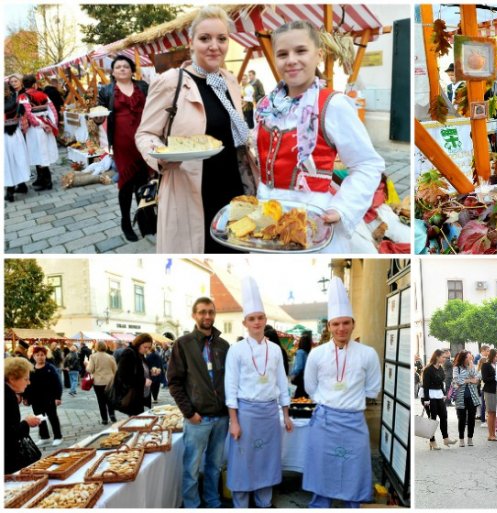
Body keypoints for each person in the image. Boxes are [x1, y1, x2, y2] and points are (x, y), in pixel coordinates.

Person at [253, 20, 384, 253]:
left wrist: (343, 208)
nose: (291, 59)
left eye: (301, 50)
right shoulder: (265, 107)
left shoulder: (332, 105)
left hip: (311, 221)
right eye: (282, 54)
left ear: (319, 55)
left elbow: (367, 163)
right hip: (268, 219)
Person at [136, 5, 251, 253]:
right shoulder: (171, 81)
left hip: (232, 187)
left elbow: (237, 134)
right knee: (203, 250)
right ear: (191, 42)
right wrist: (160, 158)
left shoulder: (230, 81)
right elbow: (145, 134)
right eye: (205, 38)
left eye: (222, 39)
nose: (214, 46)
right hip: (190, 189)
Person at [302, 277, 382, 508]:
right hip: (325, 419)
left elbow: (373, 388)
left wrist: (350, 400)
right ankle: (320, 505)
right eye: (336, 324)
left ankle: (352, 506)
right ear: (329, 327)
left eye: (346, 323)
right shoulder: (317, 355)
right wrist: (327, 401)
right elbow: (310, 387)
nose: (341, 329)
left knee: (354, 469)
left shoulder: (367, 354)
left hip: (354, 421)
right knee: (322, 468)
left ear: (353, 324)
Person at [224, 277, 293, 508]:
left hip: (269, 414)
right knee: (243, 460)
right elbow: (230, 388)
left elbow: (282, 383)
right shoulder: (236, 350)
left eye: (260, 318)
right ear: (245, 323)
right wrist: (234, 421)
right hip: (246, 414)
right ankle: (241, 504)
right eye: (252, 319)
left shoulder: (274, 350)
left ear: (265, 319)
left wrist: (285, 414)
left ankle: (264, 502)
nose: (256, 323)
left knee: (266, 460)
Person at [167, 297, 230, 509]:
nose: (207, 316)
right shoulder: (183, 344)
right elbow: (174, 383)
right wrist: (189, 413)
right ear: (194, 315)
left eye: (211, 312)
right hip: (197, 419)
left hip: (221, 418)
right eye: (202, 312)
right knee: (192, 469)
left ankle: (213, 501)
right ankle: (192, 505)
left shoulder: (223, 345)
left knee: (214, 466)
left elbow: (229, 380)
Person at [95, 55, 152, 241]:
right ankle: (126, 222)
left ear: (131, 70)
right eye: (118, 66)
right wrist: (96, 118)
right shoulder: (107, 90)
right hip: (122, 144)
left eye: (125, 66)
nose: (122, 69)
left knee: (144, 181)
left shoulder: (142, 86)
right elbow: (100, 114)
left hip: (144, 141)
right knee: (126, 183)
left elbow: (154, 108)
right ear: (113, 71)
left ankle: (145, 219)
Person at [20, 74, 59, 191]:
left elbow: (28, 113)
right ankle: (42, 178)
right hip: (45, 124)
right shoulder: (44, 94)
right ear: (34, 84)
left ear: (24, 84)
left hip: (35, 128)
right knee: (43, 152)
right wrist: (52, 124)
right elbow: (53, 110)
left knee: (39, 153)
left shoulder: (23, 96)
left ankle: (47, 181)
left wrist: (40, 124)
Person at [5, 357, 42, 474]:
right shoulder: (7, 397)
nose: (29, 382)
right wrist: (26, 423)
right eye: (26, 379)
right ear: (12, 378)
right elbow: (8, 433)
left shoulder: (9, 393)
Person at [23, 346, 63, 447]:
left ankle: (58, 437)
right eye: (38, 355)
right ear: (34, 356)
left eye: (42, 355)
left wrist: (58, 397)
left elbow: (57, 383)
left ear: (45, 356)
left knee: (53, 417)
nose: (40, 357)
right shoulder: (31, 369)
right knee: (40, 418)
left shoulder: (50, 368)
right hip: (35, 399)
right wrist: (25, 397)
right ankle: (44, 437)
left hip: (49, 398)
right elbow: (27, 384)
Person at [421, 349, 455, 449]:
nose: (445, 359)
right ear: (437, 357)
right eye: (443, 357)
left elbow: (441, 383)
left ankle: (446, 438)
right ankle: (432, 440)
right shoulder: (428, 369)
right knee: (433, 418)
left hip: (438, 395)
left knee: (444, 416)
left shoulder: (440, 368)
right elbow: (426, 386)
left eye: (445, 357)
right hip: (429, 396)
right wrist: (426, 400)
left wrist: (444, 393)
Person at [114, 333, 153, 416]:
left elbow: (140, 371)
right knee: (137, 421)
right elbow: (124, 376)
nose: (147, 350)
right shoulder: (129, 353)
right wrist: (143, 381)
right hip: (133, 397)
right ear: (138, 344)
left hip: (143, 395)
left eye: (149, 347)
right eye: (145, 347)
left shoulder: (140, 355)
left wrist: (151, 371)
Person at [4, 83, 30, 202]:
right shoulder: (17, 101)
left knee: (6, 162)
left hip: (4, 137)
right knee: (18, 159)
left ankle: (10, 190)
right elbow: (23, 117)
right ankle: (22, 185)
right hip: (16, 135)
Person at [452, 350, 481, 447]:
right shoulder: (456, 368)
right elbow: (458, 380)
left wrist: (471, 366)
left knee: (472, 418)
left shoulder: (471, 366)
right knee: (462, 418)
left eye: (471, 357)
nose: (470, 359)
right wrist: (469, 379)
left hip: (472, 396)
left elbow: (477, 378)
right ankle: (461, 439)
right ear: (463, 358)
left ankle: (470, 438)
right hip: (460, 397)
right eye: (468, 358)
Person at [85, 341, 117, 425]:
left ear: (96, 347)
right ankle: (112, 414)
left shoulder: (93, 357)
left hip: (98, 382)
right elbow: (115, 370)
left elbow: (90, 369)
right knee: (110, 399)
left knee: (101, 401)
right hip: (110, 381)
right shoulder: (110, 357)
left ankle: (104, 419)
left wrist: (86, 364)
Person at [481, 348, 497, 442]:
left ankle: (494, 434)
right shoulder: (486, 365)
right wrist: (496, 376)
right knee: (491, 412)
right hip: (490, 390)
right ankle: (490, 434)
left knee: (495, 412)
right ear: (492, 356)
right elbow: (485, 379)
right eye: (496, 356)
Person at [290, 331, 312, 398]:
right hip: (306, 376)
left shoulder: (300, 352)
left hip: (300, 377)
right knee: (304, 396)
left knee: (298, 396)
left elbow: (299, 366)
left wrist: (294, 374)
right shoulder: (308, 353)